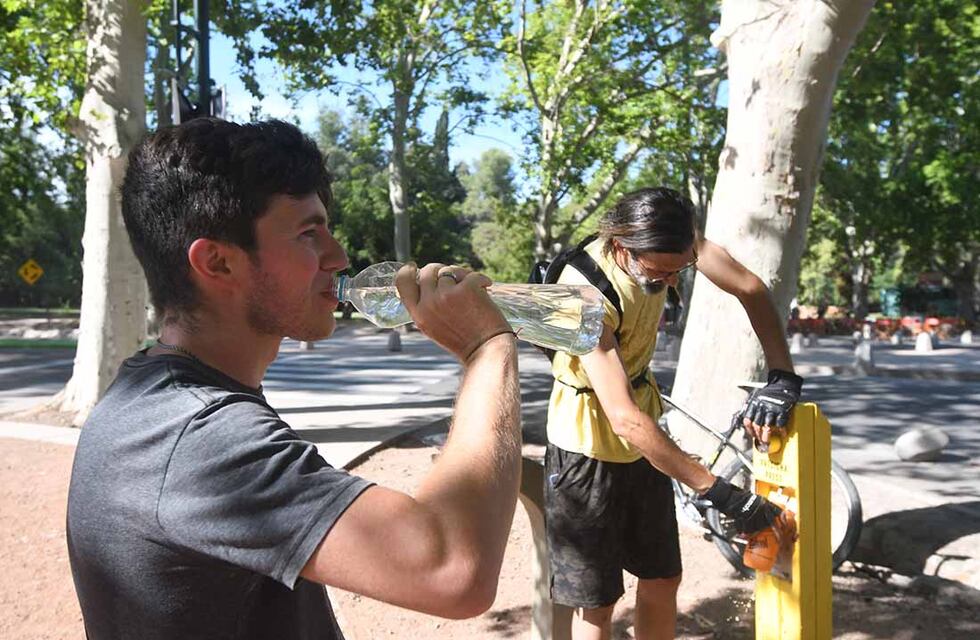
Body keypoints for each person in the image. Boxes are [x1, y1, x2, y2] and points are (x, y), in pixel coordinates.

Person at [66, 118, 522, 640]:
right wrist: (487, 349)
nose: (339, 257)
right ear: (217, 262)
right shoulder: (197, 437)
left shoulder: (160, 400)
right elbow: (453, 570)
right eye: (308, 234)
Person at [544, 187, 803, 640]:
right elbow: (622, 418)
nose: (669, 282)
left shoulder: (677, 244)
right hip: (585, 450)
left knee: (663, 577)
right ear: (624, 247)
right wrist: (721, 493)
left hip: (645, 441)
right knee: (598, 604)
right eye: (659, 273)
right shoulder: (580, 292)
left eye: (679, 270)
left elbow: (750, 288)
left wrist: (783, 374)